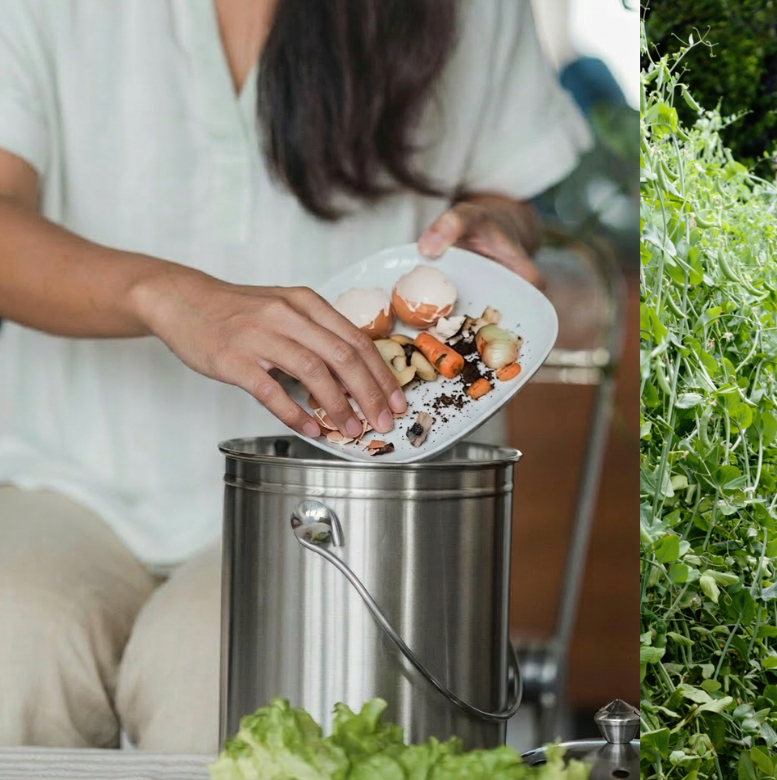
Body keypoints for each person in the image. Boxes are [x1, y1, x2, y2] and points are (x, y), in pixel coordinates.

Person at [0, 0, 591, 752]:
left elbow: (505, 191)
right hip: (65, 469)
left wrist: (495, 229)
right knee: (14, 636)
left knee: (231, 672)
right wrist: (165, 296)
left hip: (346, 493)